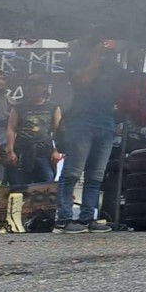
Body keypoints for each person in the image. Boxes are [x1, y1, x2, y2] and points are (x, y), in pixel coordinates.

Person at [54, 35, 123, 233]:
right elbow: (85, 80)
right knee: (72, 173)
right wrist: (95, 56)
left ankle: (87, 218)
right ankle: (64, 219)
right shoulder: (76, 61)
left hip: (106, 122)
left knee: (96, 176)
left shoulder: (112, 66)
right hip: (81, 122)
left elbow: (119, 91)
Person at [5, 74, 62, 185]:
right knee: (19, 185)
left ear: (43, 87)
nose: (32, 88)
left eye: (36, 85)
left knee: (46, 183)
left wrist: (57, 151)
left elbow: (58, 130)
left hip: (44, 152)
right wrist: (10, 151)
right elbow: (11, 129)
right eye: (29, 86)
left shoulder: (53, 107)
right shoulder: (18, 107)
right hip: (22, 151)